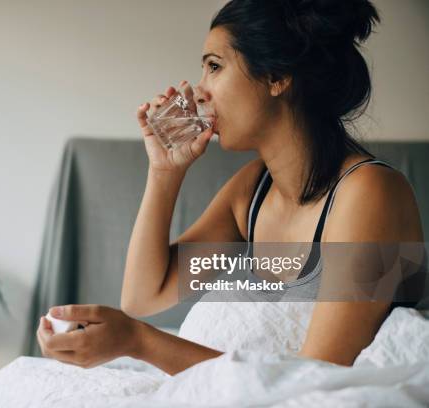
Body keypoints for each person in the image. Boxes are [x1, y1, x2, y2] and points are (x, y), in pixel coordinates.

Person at [36, 0, 424, 376]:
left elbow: (318, 377)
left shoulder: (372, 193)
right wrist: (164, 172)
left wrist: (139, 342)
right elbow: (143, 295)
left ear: (277, 77)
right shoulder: (253, 191)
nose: (199, 91)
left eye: (214, 66)